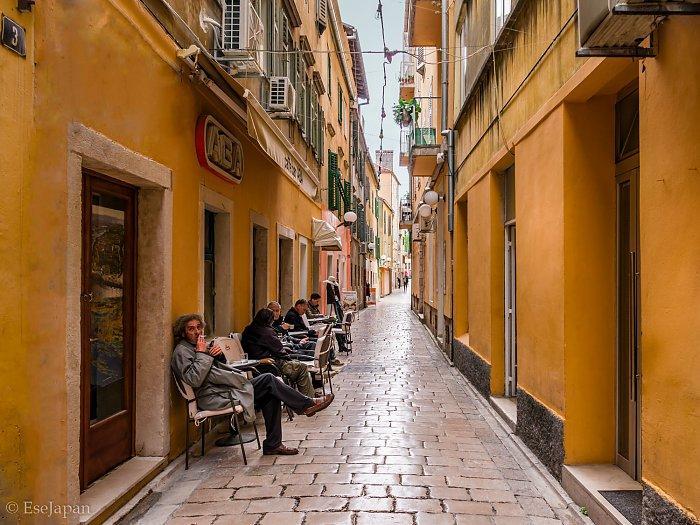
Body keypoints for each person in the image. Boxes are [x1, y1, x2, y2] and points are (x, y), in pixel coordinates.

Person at [171, 314, 334, 455]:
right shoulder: (182, 352)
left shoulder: (198, 347)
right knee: (269, 379)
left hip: (225, 390)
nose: (197, 332)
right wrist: (202, 354)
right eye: (191, 329)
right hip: (215, 396)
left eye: (199, 327)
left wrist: (217, 356)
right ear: (183, 333)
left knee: (271, 391)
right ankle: (306, 405)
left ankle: (273, 445)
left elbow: (217, 370)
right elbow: (194, 379)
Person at [241, 308, 316, 398]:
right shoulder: (267, 331)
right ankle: (309, 399)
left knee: (298, 363)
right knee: (301, 367)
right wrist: (289, 358)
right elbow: (279, 350)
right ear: (270, 320)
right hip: (269, 365)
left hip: (255, 363)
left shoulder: (248, 329)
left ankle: (304, 396)